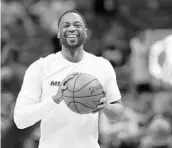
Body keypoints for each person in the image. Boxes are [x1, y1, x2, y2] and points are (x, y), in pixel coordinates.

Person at [13, 10, 124, 148]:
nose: (72, 28)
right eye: (66, 25)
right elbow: (20, 120)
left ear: (86, 32)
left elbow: (118, 114)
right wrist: (55, 100)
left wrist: (105, 107)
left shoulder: (102, 65)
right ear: (58, 33)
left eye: (77, 25)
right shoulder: (40, 67)